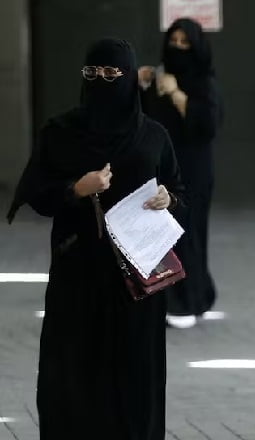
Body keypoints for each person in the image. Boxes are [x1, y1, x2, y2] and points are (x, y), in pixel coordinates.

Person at [7, 38, 182, 440]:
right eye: (92, 72)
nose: (101, 80)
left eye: (111, 73)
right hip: (79, 272)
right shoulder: (61, 133)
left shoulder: (153, 135)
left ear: (129, 77)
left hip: (137, 278)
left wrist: (168, 199)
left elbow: (179, 190)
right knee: (74, 371)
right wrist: (76, 189)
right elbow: (38, 194)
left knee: (134, 374)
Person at [139, 17, 222, 329]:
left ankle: (190, 299)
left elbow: (206, 125)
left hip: (193, 171)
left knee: (190, 234)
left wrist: (176, 93)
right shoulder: (159, 79)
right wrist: (141, 84)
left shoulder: (205, 83)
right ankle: (172, 297)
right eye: (173, 41)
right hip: (163, 171)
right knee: (164, 235)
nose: (178, 48)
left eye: (185, 43)